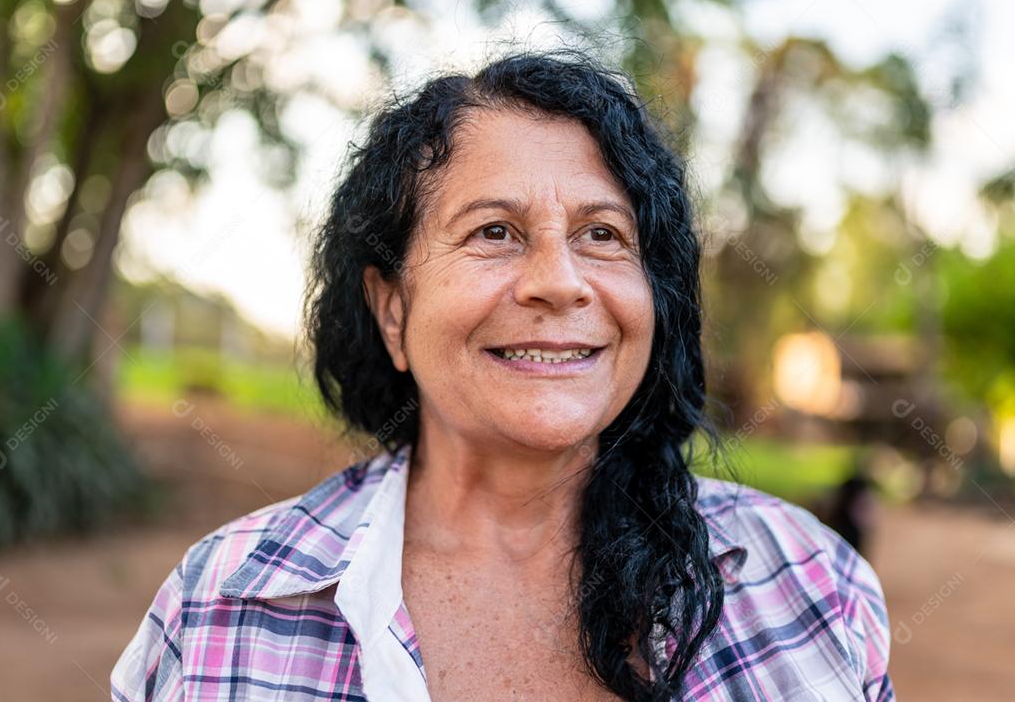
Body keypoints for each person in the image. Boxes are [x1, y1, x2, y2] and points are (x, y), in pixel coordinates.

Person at [111, 48, 894, 701]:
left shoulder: (812, 583)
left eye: (602, 234)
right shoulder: (221, 609)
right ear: (393, 312)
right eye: (494, 231)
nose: (559, 282)